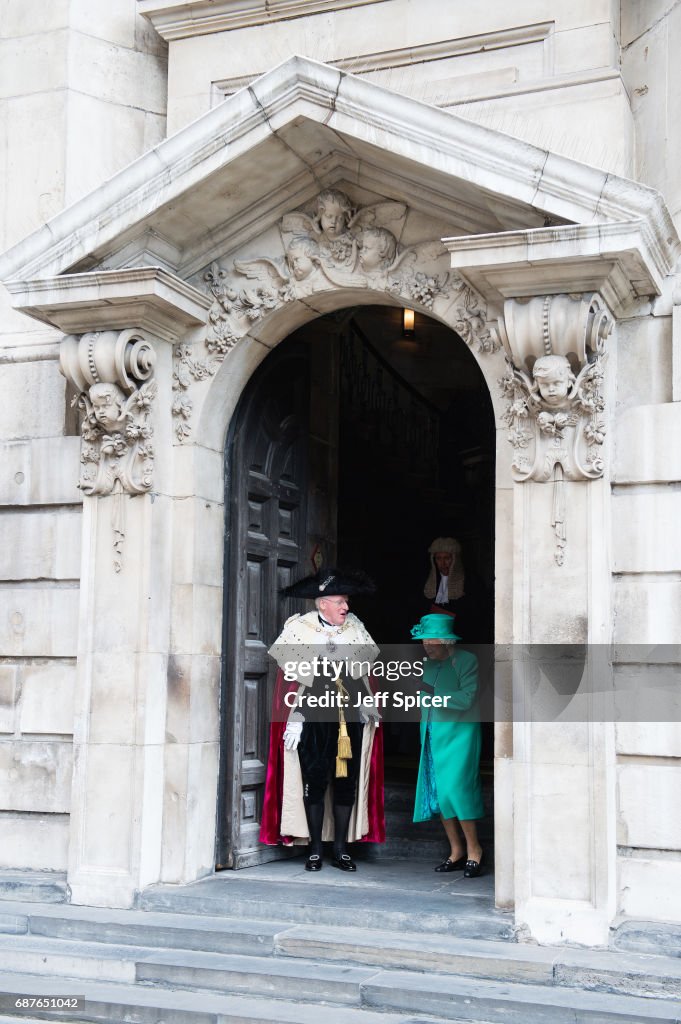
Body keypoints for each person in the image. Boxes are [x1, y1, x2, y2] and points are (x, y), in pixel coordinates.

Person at [259, 568, 385, 872]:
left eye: (346, 601)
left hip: (348, 719)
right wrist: (295, 716)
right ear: (322, 604)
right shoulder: (298, 629)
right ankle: (315, 849)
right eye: (341, 601)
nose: (346, 607)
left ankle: (340, 849)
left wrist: (368, 702)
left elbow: (365, 675)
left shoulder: (355, 628)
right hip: (313, 718)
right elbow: (289, 681)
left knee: (346, 782)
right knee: (314, 781)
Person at [410, 612, 484, 877]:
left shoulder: (466, 660)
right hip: (433, 734)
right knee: (439, 793)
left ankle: (475, 849)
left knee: (457, 790)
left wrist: (431, 693)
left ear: (447, 642)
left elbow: (466, 699)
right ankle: (456, 851)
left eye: (431, 642)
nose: (426, 647)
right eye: (423, 642)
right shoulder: (426, 664)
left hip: (460, 736)